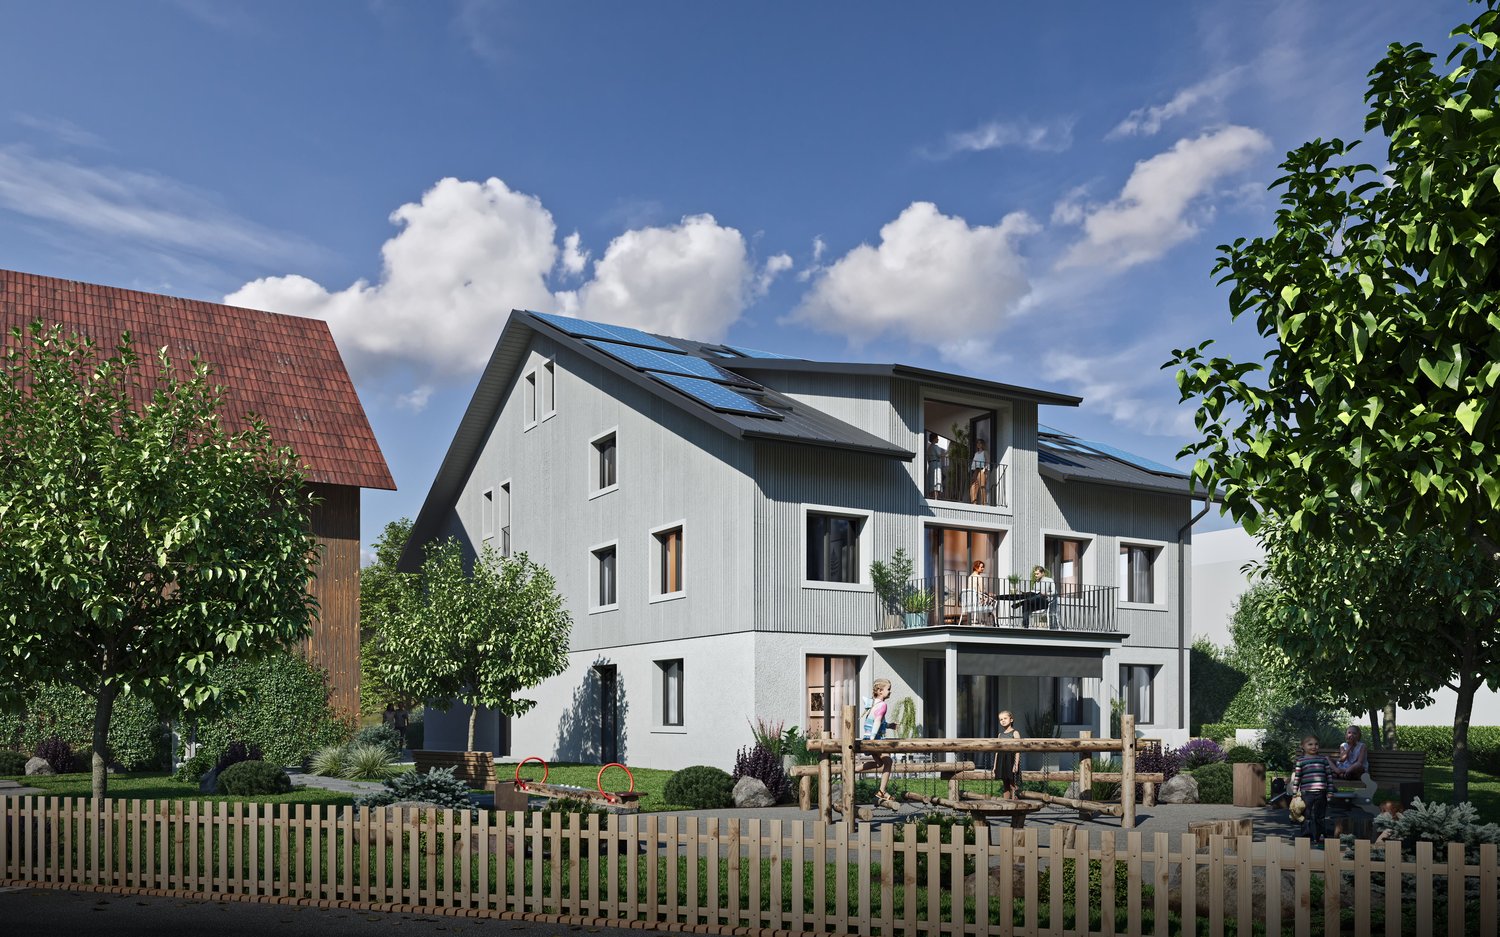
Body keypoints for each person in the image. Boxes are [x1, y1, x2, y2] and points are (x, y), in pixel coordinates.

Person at [1290, 735, 1333, 846]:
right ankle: (1306, 836)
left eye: (1316, 744)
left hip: (1321, 792)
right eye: (1310, 744)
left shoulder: (1323, 760)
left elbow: (1329, 776)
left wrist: (1330, 791)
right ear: (1303, 746)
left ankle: (1320, 836)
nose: (1314, 746)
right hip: (1306, 793)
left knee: (1320, 816)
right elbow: (1297, 778)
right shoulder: (1301, 761)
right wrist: (1295, 793)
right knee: (1306, 815)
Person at [861, 678, 896, 806]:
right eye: (888, 689)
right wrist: (872, 740)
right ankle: (882, 791)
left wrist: (889, 725)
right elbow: (876, 722)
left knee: (879, 763)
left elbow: (875, 721)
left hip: (868, 738)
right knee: (888, 761)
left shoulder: (873, 704)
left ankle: (852, 770)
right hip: (875, 739)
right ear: (880, 691)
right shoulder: (883, 705)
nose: (890, 691)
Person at [996, 709, 1022, 798]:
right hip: (1002, 760)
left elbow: (1018, 750)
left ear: (1011, 719)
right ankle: (1006, 803)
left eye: (1005, 718)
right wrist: (995, 766)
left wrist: (1016, 764)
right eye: (1001, 719)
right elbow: (997, 751)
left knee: (1012, 784)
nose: (1003, 721)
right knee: (1005, 785)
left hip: (1011, 760)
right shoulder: (1000, 735)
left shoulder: (1015, 733)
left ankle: (1015, 802)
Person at [969, 439, 989, 505]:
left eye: (980, 443)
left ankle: (984, 503)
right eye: (978, 443)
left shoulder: (984, 452)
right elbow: (973, 462)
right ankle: (973, 502)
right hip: (976, 470)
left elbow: (987, 461)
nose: (979, 444)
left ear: (982, 444)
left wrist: (985, 470)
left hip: (982, 469)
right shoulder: (976, 453)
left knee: (982, 486)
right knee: (973, 485)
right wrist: (972, 469)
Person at [926, 433, 946, 497]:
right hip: (936, 464)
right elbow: (939, 455)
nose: (938, 439)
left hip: (931, 465)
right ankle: (936, 497)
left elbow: (928, 458)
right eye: (937, 438)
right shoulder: (935, 447)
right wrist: (946, 454)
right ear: (934, 439)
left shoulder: (929, 447)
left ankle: (931, 496)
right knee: (937, 480)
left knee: (931, 481)